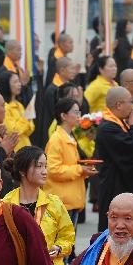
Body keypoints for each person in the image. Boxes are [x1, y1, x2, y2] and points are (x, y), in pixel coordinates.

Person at [94, 87, 133, 231]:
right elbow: (132, 151)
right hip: (115, 188)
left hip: (126, 188)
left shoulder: (120, 123)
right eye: (131, 102)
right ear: (118, 105)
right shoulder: (107, 128)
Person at [44, 98, 96, 228]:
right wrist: (80, 169)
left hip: (70, 200)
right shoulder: (57, 140)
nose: (79, 116)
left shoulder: (70, 137)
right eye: (75, 112)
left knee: (69, 245)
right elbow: (53, 170)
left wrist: (85, 170)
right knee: (64, 245)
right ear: (63, 116)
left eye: (79, 112)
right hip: (61, 202)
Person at [0, 70, 34, 151]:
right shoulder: (4, 107)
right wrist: (26, 120)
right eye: (15, 82)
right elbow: (13, 131)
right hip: (15, 149)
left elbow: (30, 129)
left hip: (26, 146)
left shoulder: (19, 105)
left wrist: (23, 124)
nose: (19, 84)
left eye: (19, 81)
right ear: (6, 85)